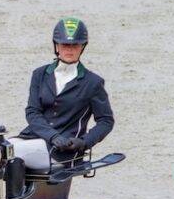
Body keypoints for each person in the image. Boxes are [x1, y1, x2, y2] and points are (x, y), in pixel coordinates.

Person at [12, 17, 114, 170]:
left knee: (9, 153)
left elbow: (106, 121)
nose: (69, 50)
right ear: (57, 45)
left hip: (64, 150)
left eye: (75, 45)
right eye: (65, 45)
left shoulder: (93, 82)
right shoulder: (39, 74)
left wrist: (84, 142)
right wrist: (52, 136)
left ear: (82, 47)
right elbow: (32, 112)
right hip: (32, 138)